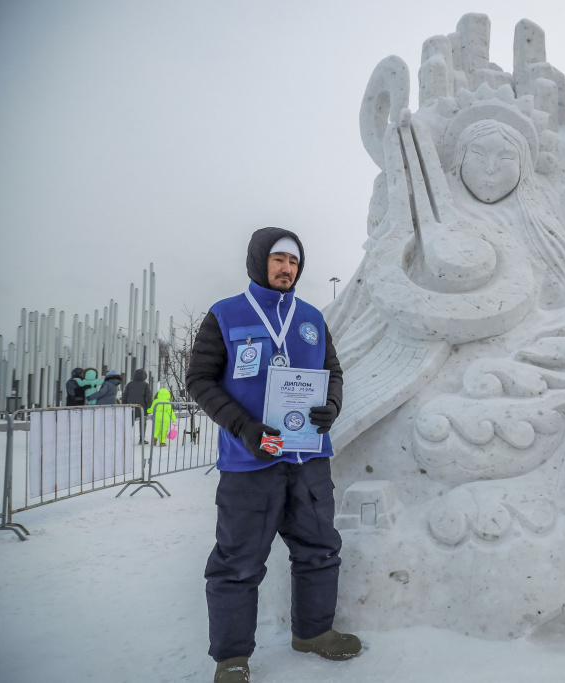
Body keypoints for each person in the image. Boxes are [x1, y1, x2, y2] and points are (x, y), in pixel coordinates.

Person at [185, 227, 360, 683]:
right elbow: (200, 380)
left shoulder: (312, 316)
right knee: (238, 559)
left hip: (307, 458)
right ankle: (232, 657)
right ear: (259, 260)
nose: (287, 269)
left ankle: (314, 633)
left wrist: (332, 405)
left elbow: (333, 372)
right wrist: (243, 427)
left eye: (295, 263)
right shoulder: (225, 315)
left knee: (320, 549)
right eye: (280, 260)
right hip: (250, 462)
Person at [123, 369, 154, 443]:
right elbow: (148, 397)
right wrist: (149, 407)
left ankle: (126, 438)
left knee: (129, 423)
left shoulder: (130, 384)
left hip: (130, 407)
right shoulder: (145, 385)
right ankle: (141, 439)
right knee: (142, 424)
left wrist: (124, 406)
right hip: (142, 408)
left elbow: (125, 396)